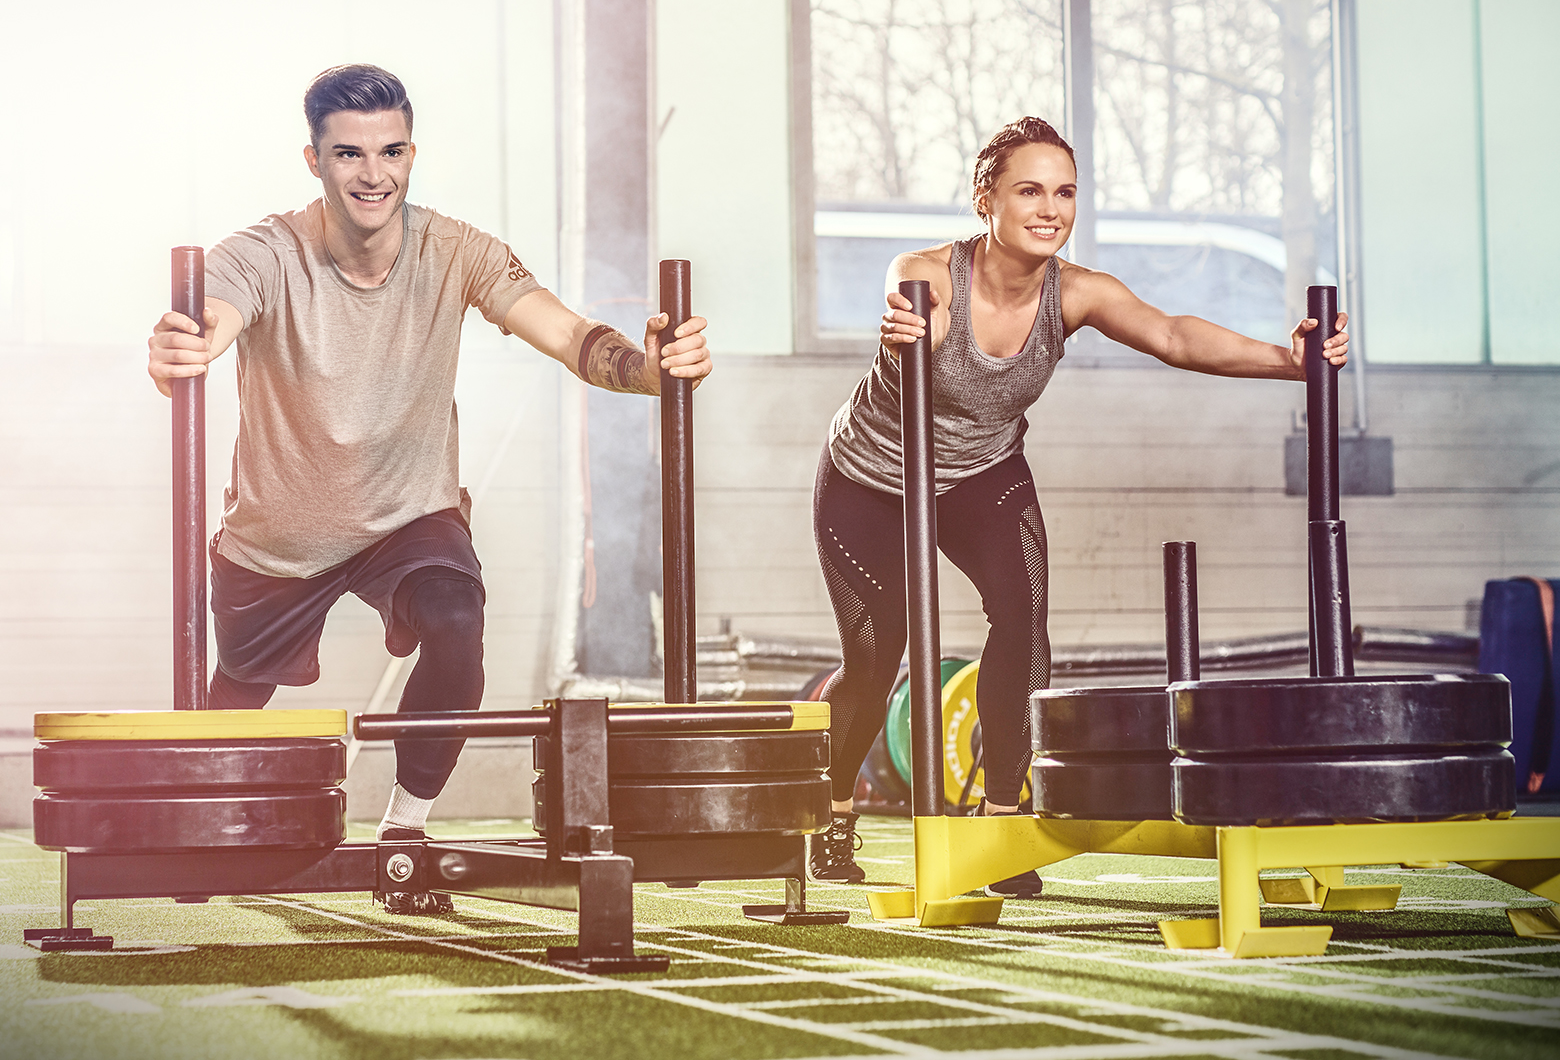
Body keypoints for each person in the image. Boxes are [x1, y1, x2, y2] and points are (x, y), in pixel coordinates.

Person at [145, 64, 712, 914]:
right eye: (349, 155)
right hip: (279, 532)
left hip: (409, 514)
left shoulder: (457, 249)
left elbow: (563, 331)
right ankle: (212, 828)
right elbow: (213, 321)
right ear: (314, 160)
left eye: (391, 151)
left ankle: (406, 830)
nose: (373, 173)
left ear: (412, 153)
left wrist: (651, 370)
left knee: (457, 618)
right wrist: (181, 349)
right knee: (238, 689)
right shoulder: (261, 252)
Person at [809, 116, 1348, 893]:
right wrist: (910, 325)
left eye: (1065, 192)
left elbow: (1170, 334)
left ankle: (1002, 825)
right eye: (1029, 189)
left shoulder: (1077, 292)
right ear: (985, 197)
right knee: (878, 650)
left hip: (979, 475)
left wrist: (1287, 361)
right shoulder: (926, 273)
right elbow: (905, 298)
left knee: (1023, 616)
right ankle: (829, 814)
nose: (1050, 208)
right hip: (870, 483)